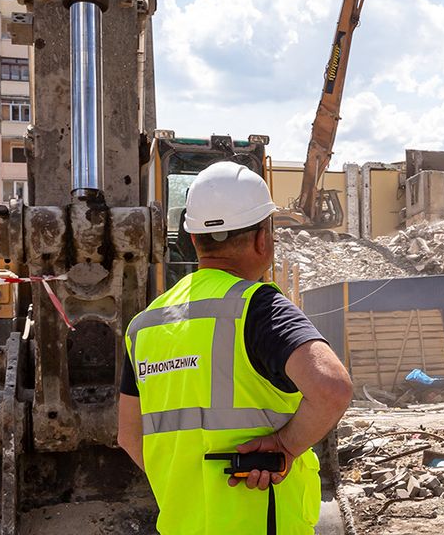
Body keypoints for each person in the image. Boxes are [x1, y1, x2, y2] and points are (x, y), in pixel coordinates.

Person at [117, 161, 353, 534]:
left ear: (193, 239)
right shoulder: (257, 308)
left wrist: (188, 482)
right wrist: (285, 445)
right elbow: (331, 389)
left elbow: (129, 436)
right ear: (264, 238)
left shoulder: (144, 325)